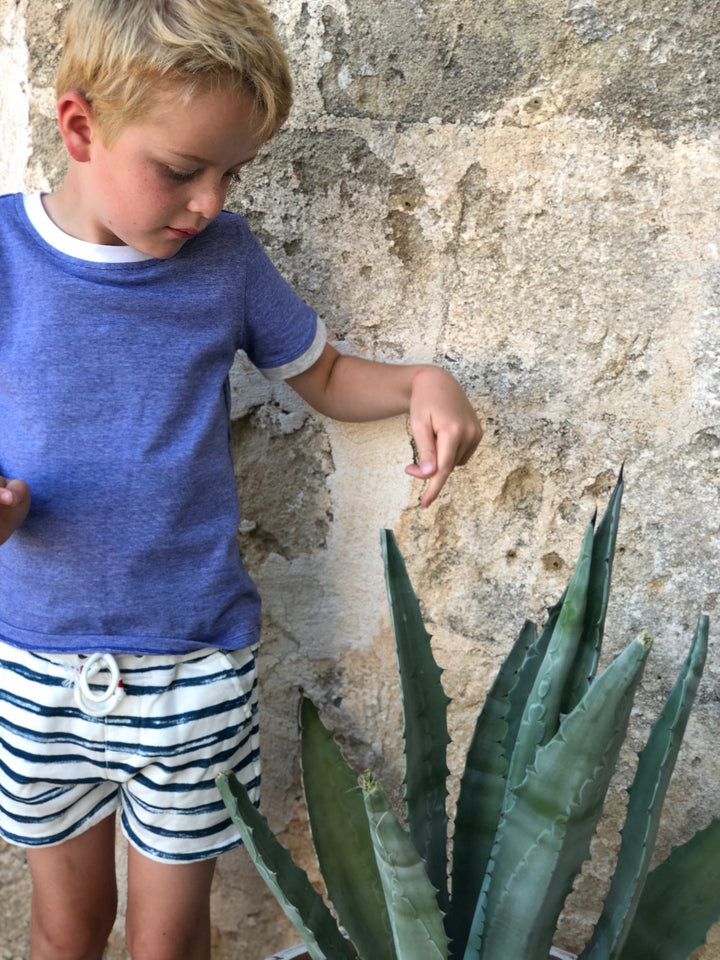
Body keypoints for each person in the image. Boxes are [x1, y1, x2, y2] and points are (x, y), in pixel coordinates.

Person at [0, 0, 482, 957]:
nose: (210, 202)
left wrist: (423, 382)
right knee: (65, 929)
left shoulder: (225, 259)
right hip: (32, 660)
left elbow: (326, 376)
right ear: (80, 127)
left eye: (232, 173)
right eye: (182, 170)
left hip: (193, 666)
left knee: (170, 942)